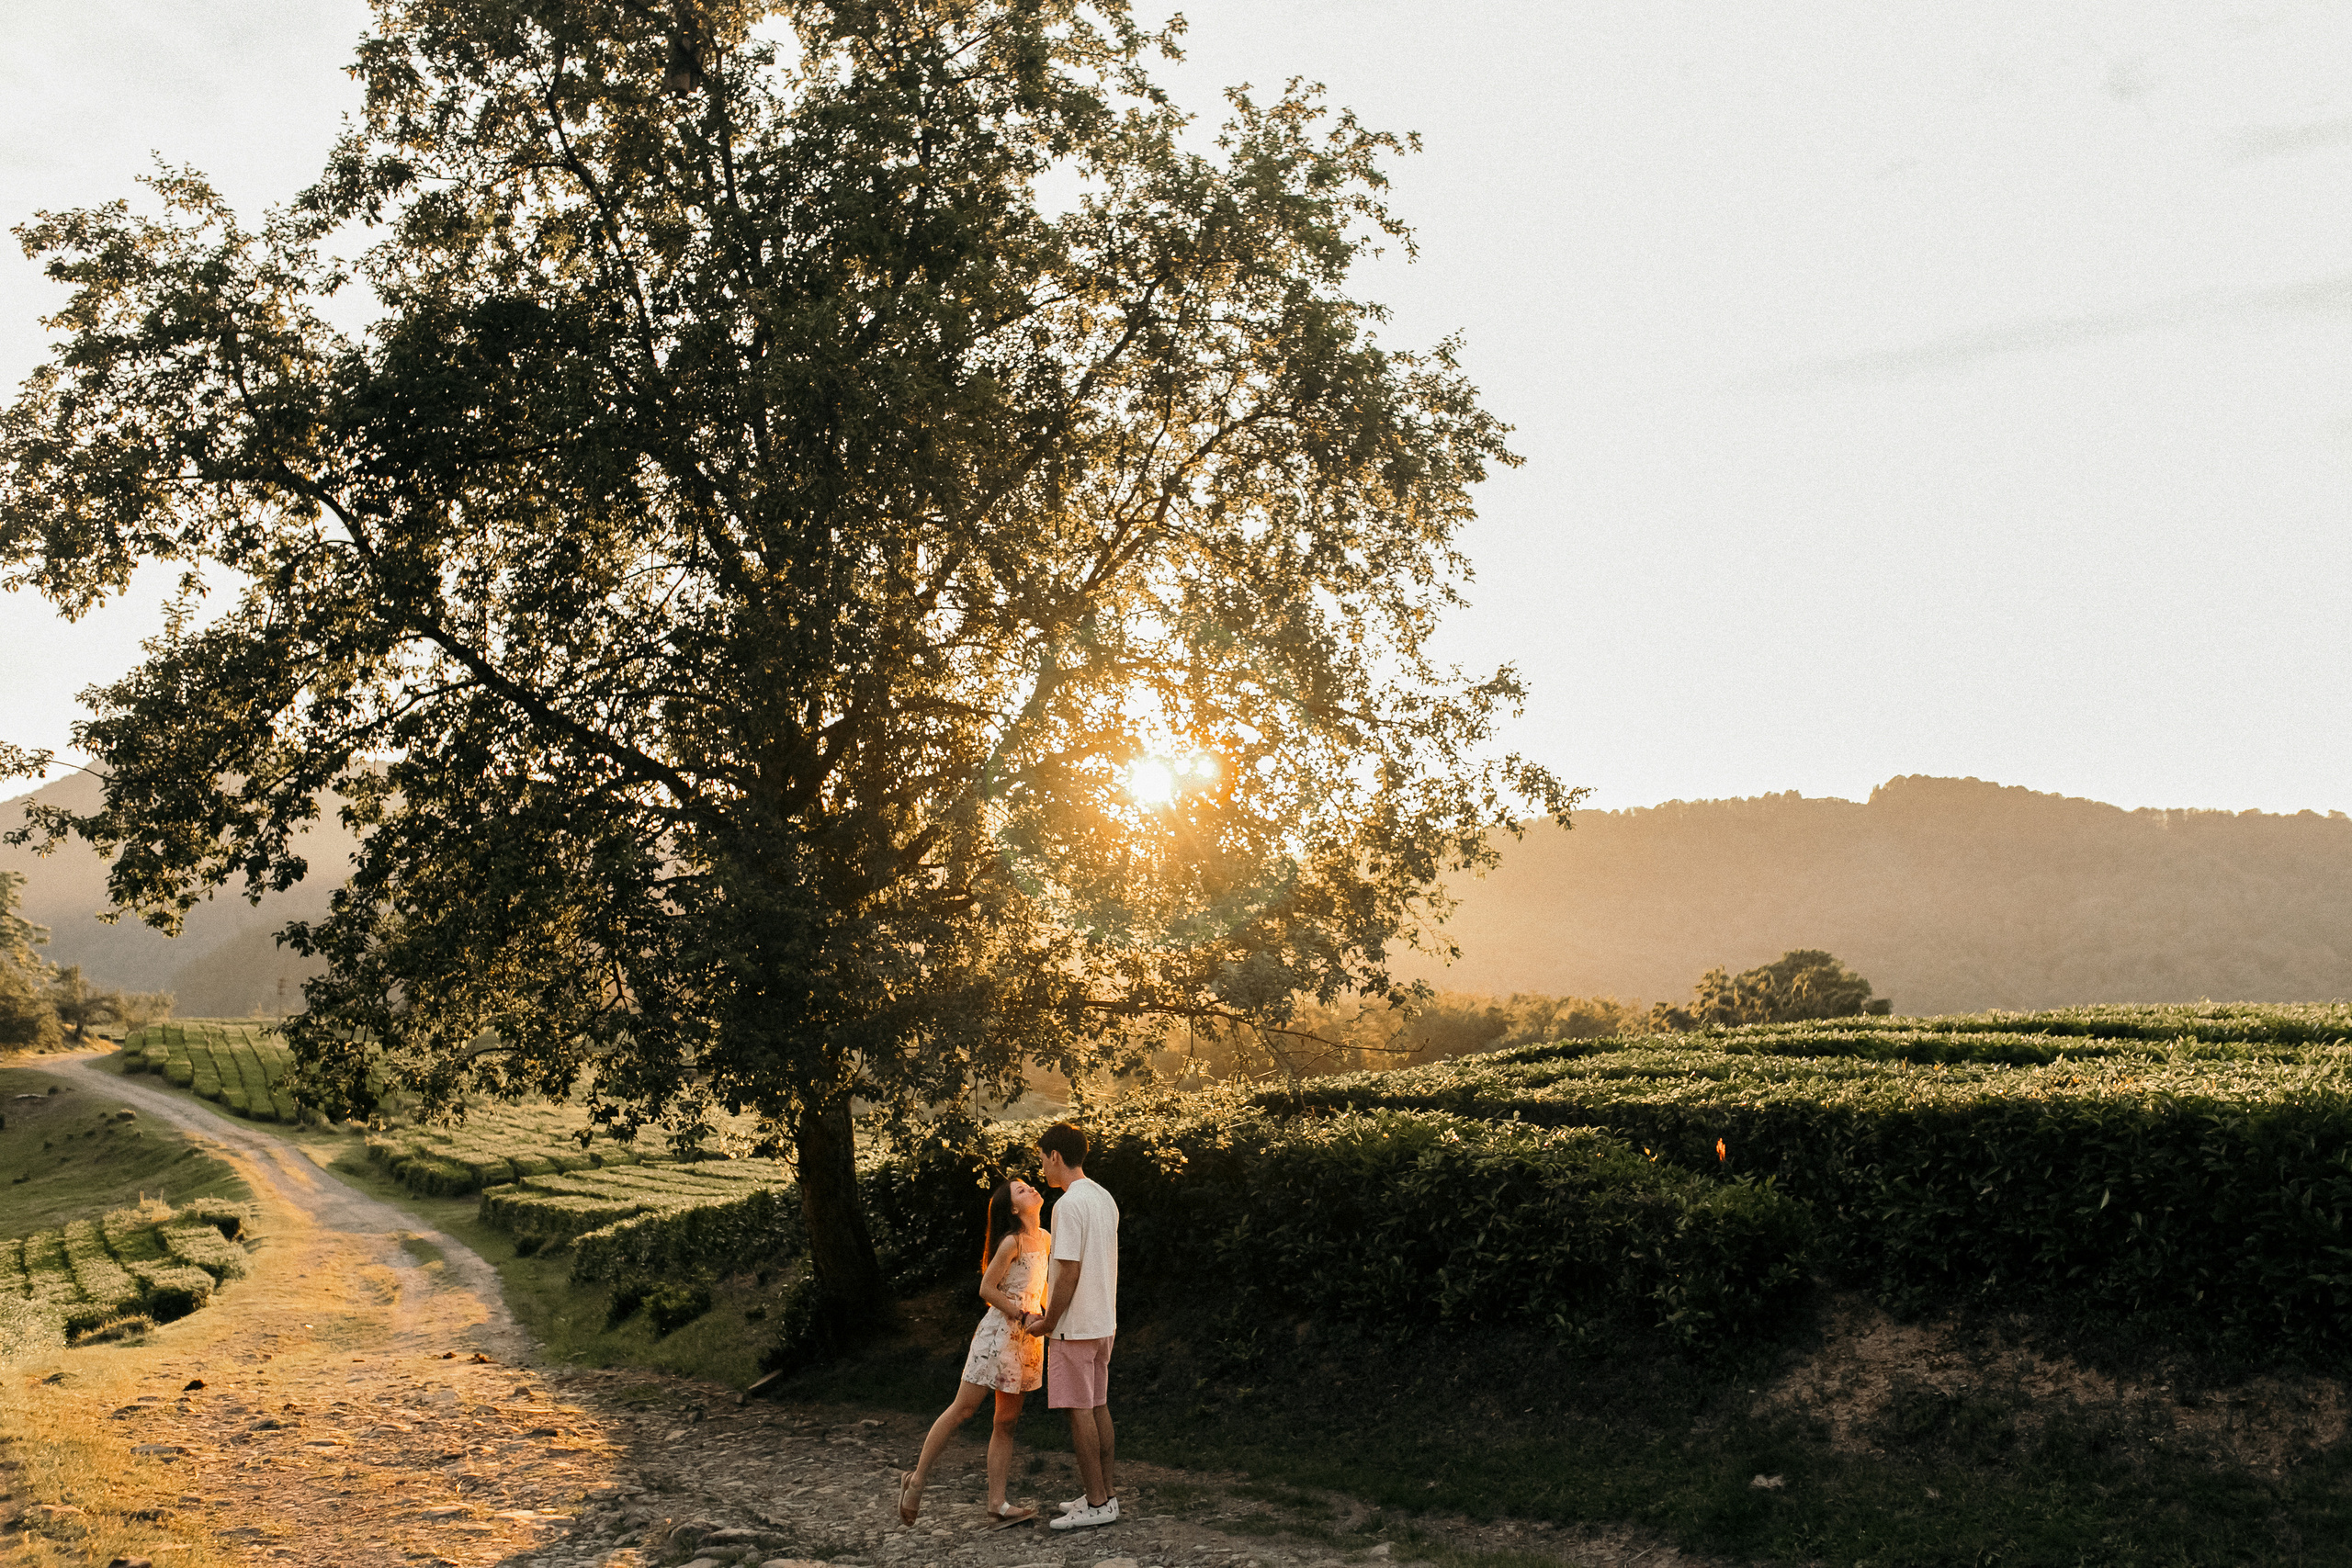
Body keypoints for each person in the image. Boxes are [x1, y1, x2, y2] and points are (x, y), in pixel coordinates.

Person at [899, 1177, 1051, 1528]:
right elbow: (987, 1288)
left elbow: (1041, 1288)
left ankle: (997, 1504)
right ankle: (917, 1479)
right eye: (1021, 1190)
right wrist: (1023, 1313)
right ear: (1013, 1209)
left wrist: (1046, 1319)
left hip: (1028, 1340)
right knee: (964, 1409)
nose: (1030, 1188)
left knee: (1006, 1422)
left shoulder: (1045, 1238)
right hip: (999, 1336)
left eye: (1028, 1185)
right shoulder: (1011, 1242)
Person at [1024, 1122, 1120, 1532]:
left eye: (1043, 1158)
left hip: (1074, 1326)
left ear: (1056, 1156)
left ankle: (1097, 1503)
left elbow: (1067, 1272)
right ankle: (1106, 1494)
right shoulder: (1104, 1197)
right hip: (1104, 1323)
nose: (1042, 1167)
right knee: (1097, 1405)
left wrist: (1048, 1321)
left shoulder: (1066, 1205)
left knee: (1078, 1411)